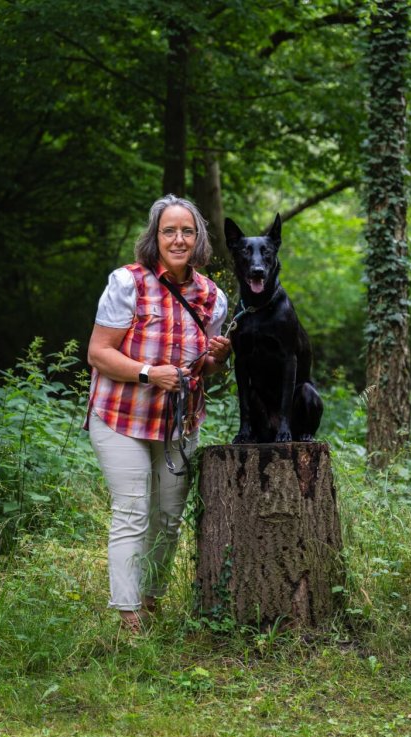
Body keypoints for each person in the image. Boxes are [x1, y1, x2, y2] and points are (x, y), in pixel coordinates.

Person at [85, 194, 231, 633]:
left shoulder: (212, 296)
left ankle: (151, 600)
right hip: (121, 416)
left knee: (168, 519)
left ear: (199, 238)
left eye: (187, 231)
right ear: (156, 237)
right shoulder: (127, 283)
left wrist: (218, 358)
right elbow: (98, 353)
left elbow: (204, 367)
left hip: (177, 424)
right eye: (169, 231)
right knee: (133, 511)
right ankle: (128, 616)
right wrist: (149, 373)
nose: (178, 239)